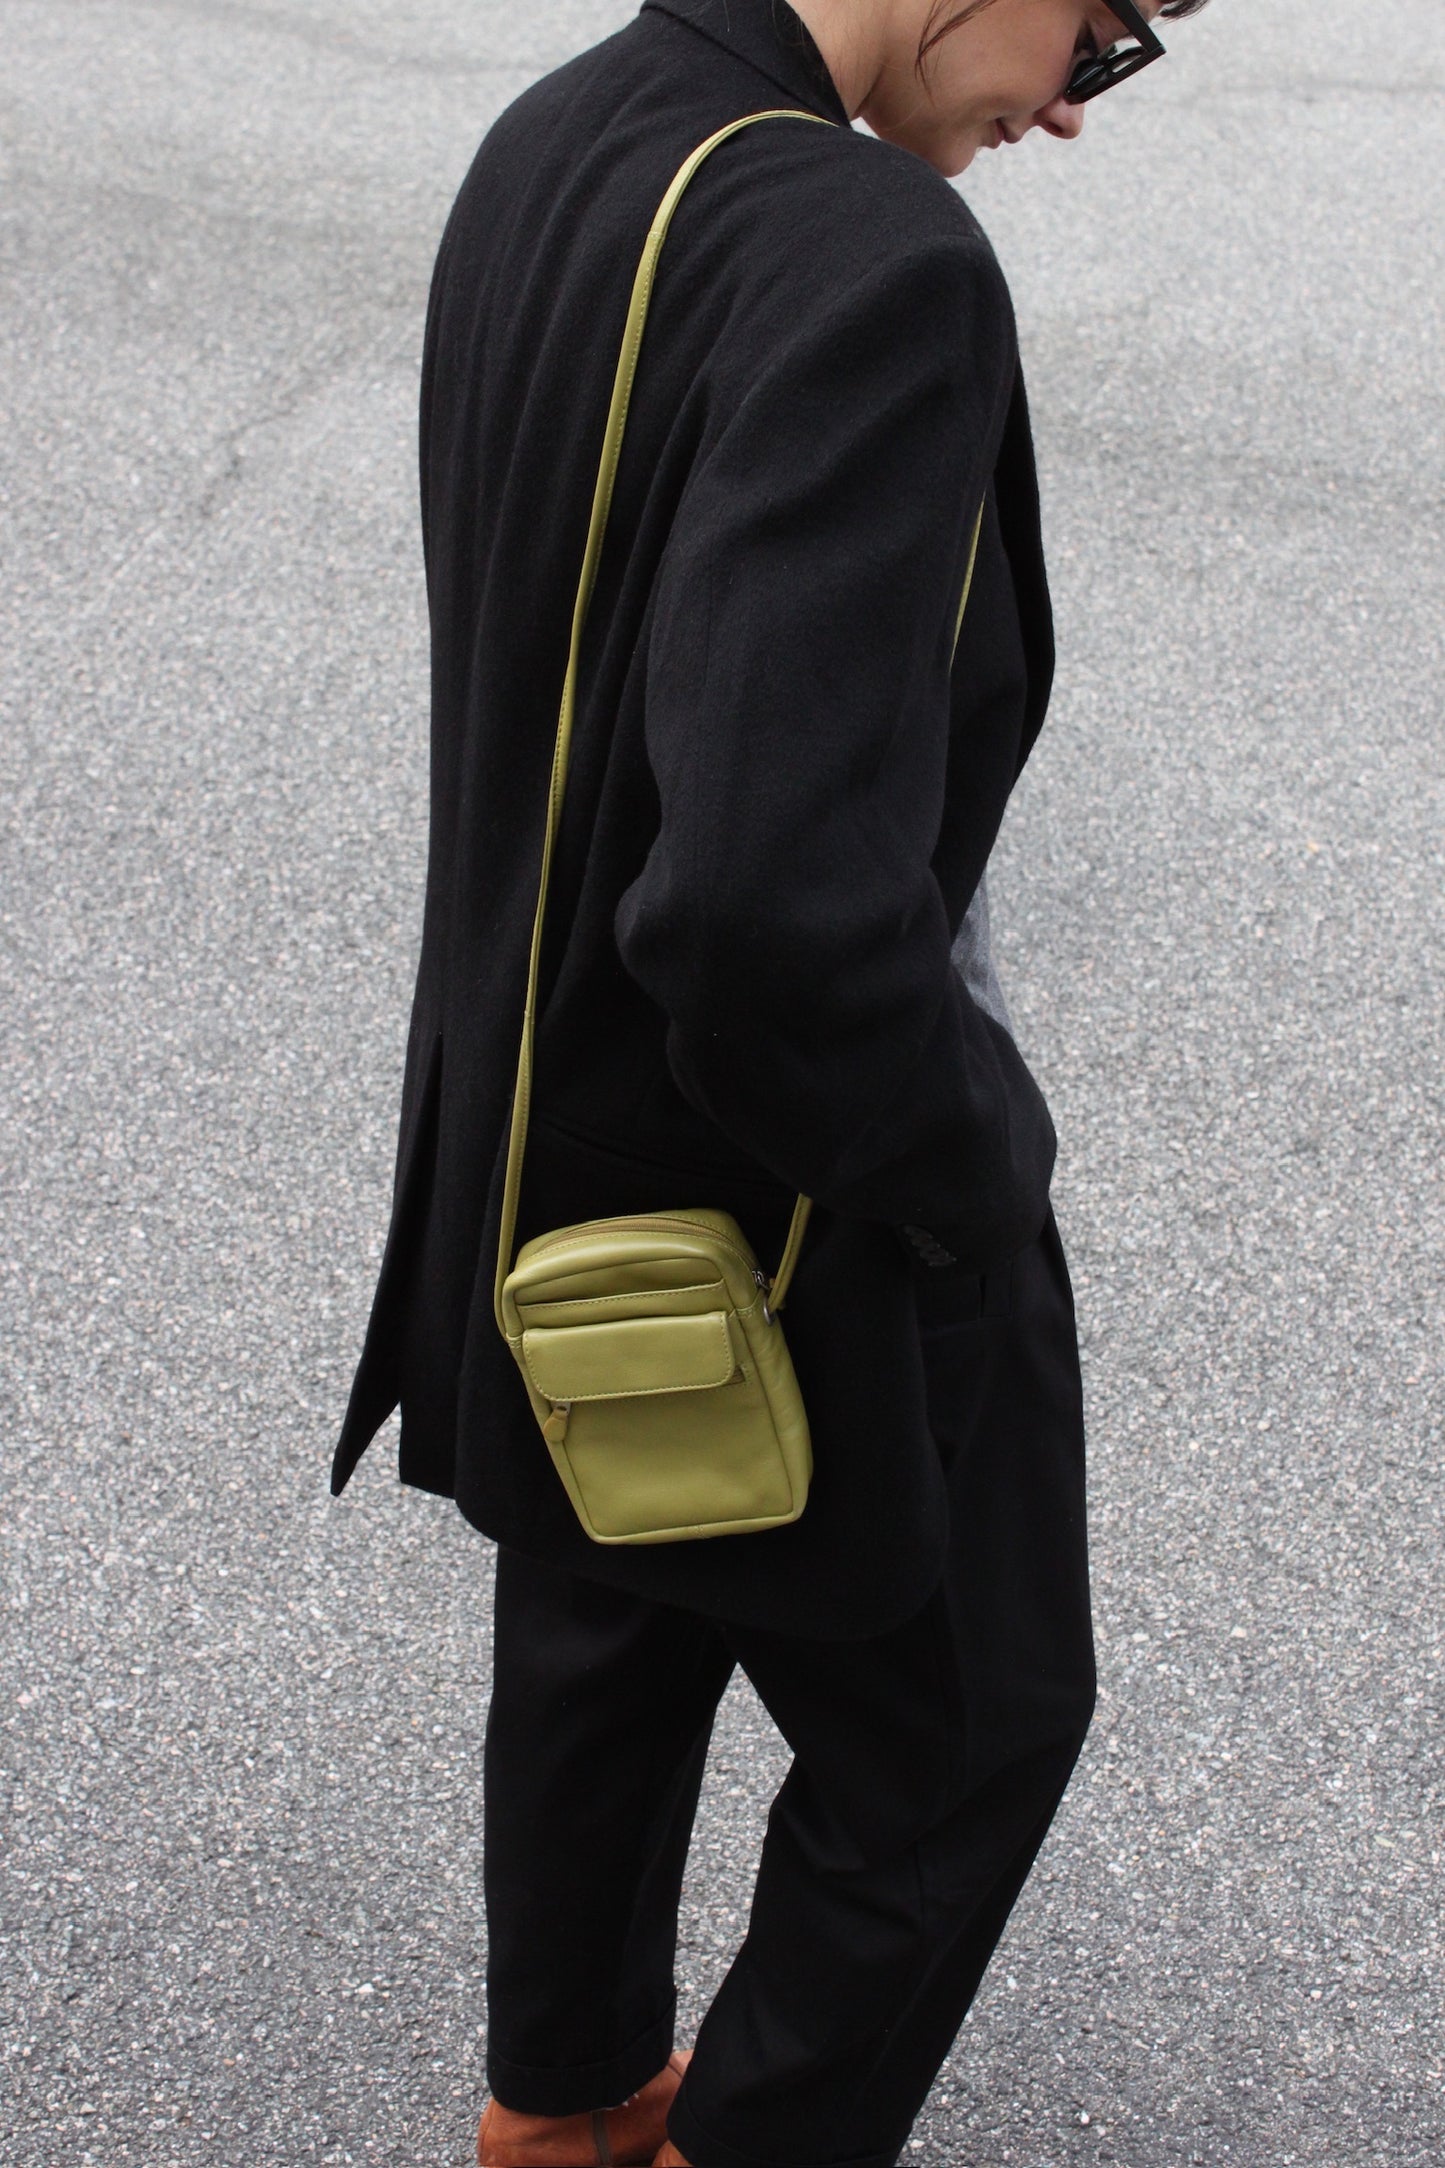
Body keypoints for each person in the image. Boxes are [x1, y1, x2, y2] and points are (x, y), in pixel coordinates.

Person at [332, 1, 1209, 2161]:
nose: (1079, 102)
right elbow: (765, 915)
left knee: (608, 1612)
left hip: (553, 1163)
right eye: (1103, 25)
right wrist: (979, 1158)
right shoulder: (872, 260)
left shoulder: (565, 128)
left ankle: (562, 2111)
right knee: (973, 1728)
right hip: (806, 1193)